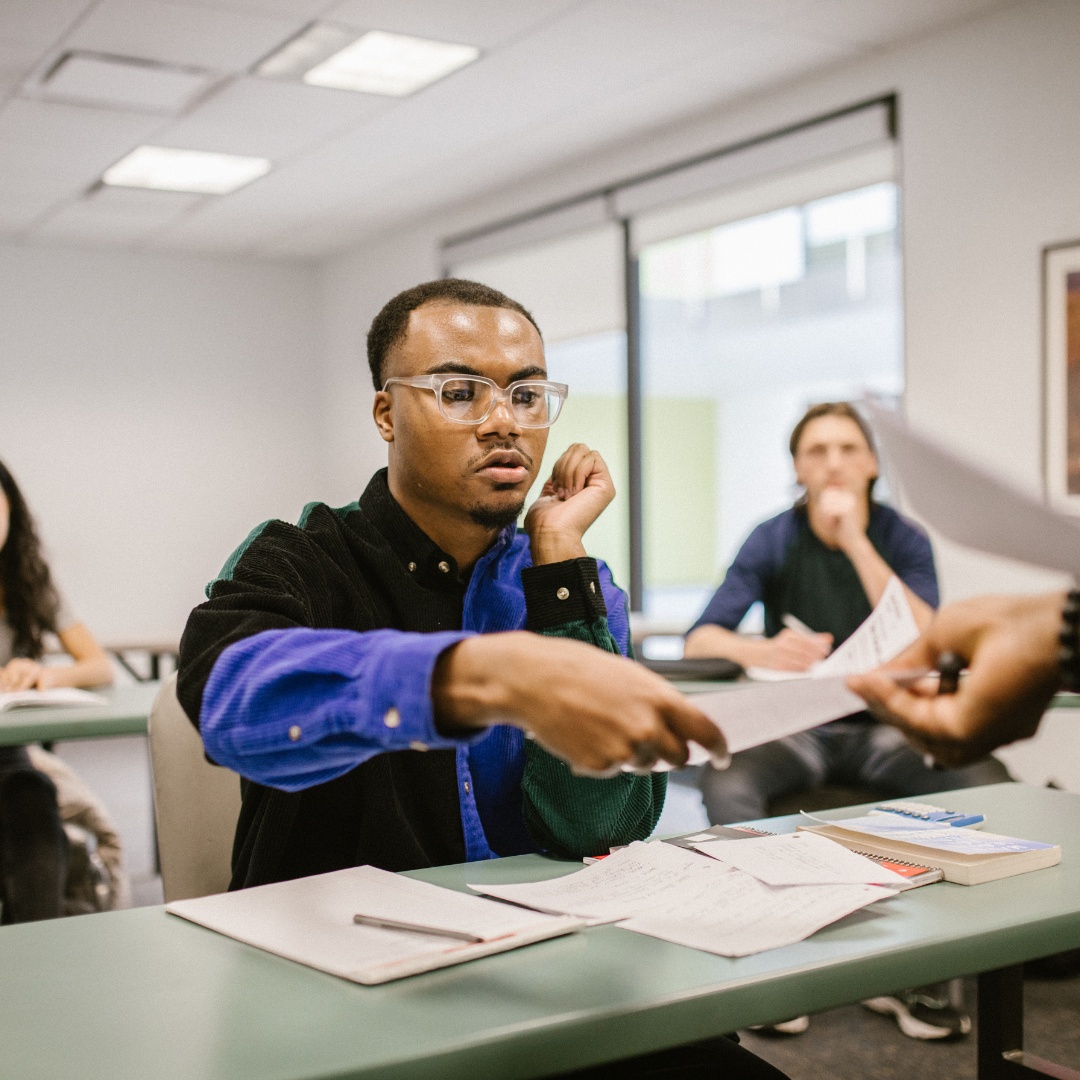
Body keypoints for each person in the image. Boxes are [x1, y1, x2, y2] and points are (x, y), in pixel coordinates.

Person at [177, 279, 776, 1080]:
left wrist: (557, 555)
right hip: (346, 988)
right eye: (460, 392)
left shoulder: (568, 579)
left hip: (545, 969)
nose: (504, 422)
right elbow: (229, 702)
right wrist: (472, 676)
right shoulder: (301, 558)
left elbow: (598, 826)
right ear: (387, 414)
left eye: (526, 395)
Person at [683, 403, 1008, 1041]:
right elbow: (701, 639)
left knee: (988, 780)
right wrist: (760, 650)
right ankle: (775, 954)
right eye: (817, 451)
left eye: (848, 449)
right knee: (727, 783)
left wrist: (856, 540)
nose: (833, 463)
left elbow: (930, 638)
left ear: (873, 465)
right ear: (797, 469)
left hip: (887, 724)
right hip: (801, 727)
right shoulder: (772, 537)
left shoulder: (901, 537)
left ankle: (925, 968)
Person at [0, 460, 114, 922]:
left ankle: (34, 942)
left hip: (8, 760)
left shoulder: (28, 579)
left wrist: (44, 675)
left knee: (33, 795)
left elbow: (99, 665)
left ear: (11, 511)